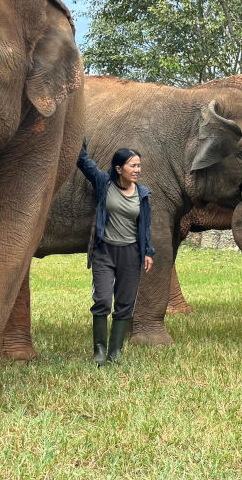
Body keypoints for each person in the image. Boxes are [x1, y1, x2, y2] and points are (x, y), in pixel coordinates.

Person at [77, 139, 154, 366]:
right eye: (133, 166)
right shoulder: (104, 183)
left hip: (131, 254)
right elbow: (83, 163)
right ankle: (99, 351)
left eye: (139, 166)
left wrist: (148, 251)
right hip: (104, 251)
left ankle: (115, 352)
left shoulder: (142, 194)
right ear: (119, 169)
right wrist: (78, 135)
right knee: (101, 299)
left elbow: (145, 226)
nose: (137, 170)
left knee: (125, 302)